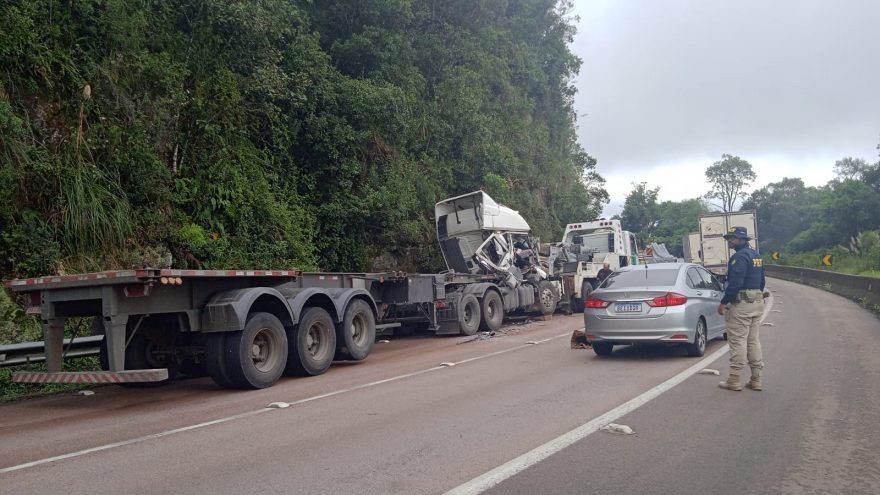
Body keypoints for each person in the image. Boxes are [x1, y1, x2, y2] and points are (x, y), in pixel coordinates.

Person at [717, 226, 766, 392]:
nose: (730, 240)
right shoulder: (756, 256)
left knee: (738, 341)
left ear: (743, 239)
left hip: (742, 305)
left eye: (733, 237)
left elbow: (736, 283)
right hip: (757, 302)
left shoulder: (740, 257)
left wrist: (724, 301)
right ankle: (756, 379)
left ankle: (734, 379)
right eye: (729, 238)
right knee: (753, 341)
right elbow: (762, 282)